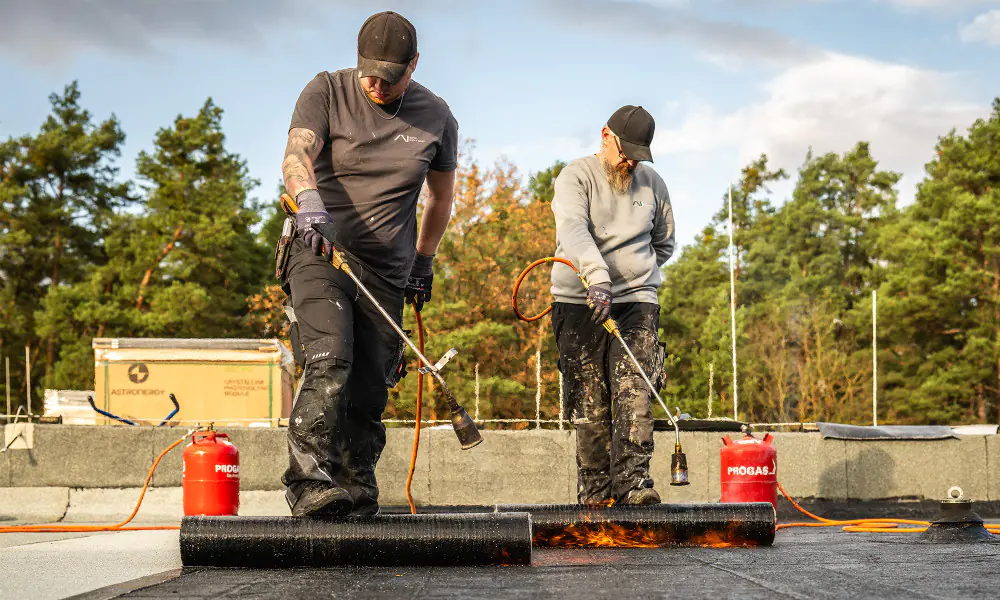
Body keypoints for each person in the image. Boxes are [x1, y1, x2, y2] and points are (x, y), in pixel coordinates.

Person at [276, 11, 458, 517]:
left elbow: (440, 199)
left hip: (387, 268)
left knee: (373, 379)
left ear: (414, 65)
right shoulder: (328, 90)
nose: (375, 85)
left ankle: (355, 483)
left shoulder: (436, 117)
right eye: (368, 74)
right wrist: (309, 201)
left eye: (390, 76)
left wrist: (423, 262)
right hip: (320, 248)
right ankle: (310, 482)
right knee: (331, 356)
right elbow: (296, 154)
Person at [549, 105, 675, 506]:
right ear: (606, 136)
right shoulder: (577, 176)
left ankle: (634, 485)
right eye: (626, 151)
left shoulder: (652, 182)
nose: (631, 161)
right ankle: (597, 492)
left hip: (636, 302)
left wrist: (633, 275)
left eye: (639, 154)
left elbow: (665, 243)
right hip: (579, 300)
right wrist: (597, 277)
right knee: (590, 395)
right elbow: (572, 228)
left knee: (634, 389)